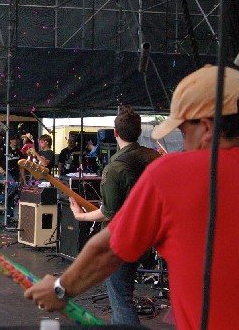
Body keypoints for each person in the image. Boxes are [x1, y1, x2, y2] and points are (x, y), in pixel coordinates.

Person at [23, 65, 239, 330]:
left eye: (183, 132)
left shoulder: (176, 174)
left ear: (206, 128)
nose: (184, 143)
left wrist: (59, 289)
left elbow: (107, 251)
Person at [68, 105, 159, 325]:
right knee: (124, 295)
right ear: (138, 131)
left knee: (121, 301)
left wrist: (80, 217)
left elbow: (108, 212)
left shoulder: (114, 168)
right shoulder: (155, 157)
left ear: (115, 133)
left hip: (120, 240)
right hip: (148, 236)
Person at [0, 137, 22, 219]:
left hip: (13, 174)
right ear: (10, 140)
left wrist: (22, 178)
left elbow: (22, 165)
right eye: (13, 139)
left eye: (16, 139)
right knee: (13, 185)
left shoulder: (18, 152)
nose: (15, 140)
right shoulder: (4, 149)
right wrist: (0, 169)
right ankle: (0, 199)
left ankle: (9, 216)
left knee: (13, 193)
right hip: (4, 172)